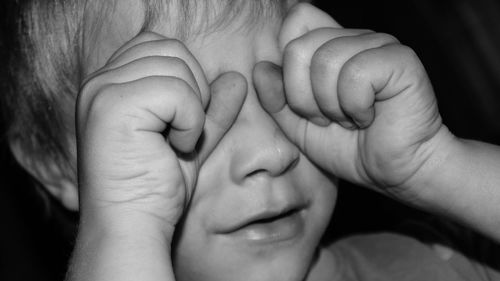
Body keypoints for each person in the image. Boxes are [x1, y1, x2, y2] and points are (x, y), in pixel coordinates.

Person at [1, 0, 500, 280]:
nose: (273, 153)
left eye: (283, 84)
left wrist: (435, 164)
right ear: (53, 162)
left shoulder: (442, 261)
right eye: (183, 111)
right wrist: (122, 234)